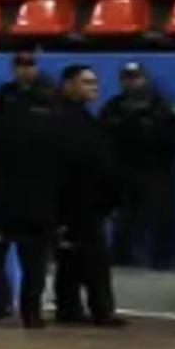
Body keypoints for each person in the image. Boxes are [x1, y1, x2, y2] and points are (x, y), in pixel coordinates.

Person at [0, 49, 59, 327]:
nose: (24, 70)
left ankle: (31, 311)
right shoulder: (3, 95)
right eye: (19, 64)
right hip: (1, 188)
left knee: (33, 256)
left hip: (36, 190)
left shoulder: (50, 98)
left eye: (29, 64)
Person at [43, 64, 124, 328]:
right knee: (91, 256)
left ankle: (69, 307)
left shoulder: (83, 117)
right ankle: (100, 310)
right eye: (86, 82)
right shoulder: (60, 118)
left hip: (88, 199)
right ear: (68, 84)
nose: (94, 87)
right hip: (75, 200)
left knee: (73, 256)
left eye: (95, 82)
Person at [101, 63, 175, 272]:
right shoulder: (113, 107)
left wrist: (162, 155)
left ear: (145, 79)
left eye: (136, 77)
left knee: (162, 214)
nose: (132, 82)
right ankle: (121, 257)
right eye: (127, 78)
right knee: (124, 216)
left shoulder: (163, 106)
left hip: (156, 169)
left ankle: (164, 259)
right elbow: (102, 135)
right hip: (122, 169)